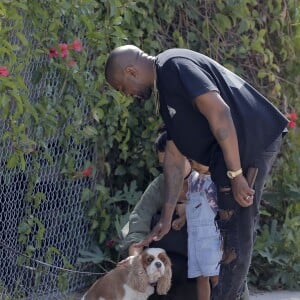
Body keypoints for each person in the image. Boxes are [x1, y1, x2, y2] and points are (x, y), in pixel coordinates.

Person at [105, 45, 288, 300]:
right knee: (227, 233)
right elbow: (174, 156)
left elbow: (219, 111)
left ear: (131, 71)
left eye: (124, 88)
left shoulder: (173, 65)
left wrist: (236, 174)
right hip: (227, 158)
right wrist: (166, 218)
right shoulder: (165, 91)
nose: (129, 95)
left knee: (234, 236)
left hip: (250, 144)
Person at [120, 131, 197, 300]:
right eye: (164, 165)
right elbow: (139, 218)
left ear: (188, 157)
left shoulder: (208, 181)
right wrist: (134, 256)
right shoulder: (160, 184)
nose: (169, 170)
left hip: (200, 264)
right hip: (166, 264)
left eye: (173, 163)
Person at [172, 159, 222, 300]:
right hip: (195, 237)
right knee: (201, 276)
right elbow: (193, 205)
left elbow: (222, 211)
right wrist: (183, 219)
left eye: (199, 161)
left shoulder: (216, 180)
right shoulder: (193, 180)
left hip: (212, 236)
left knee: (215, 275)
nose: (195, 165)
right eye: (192, 161)